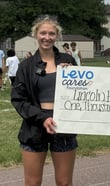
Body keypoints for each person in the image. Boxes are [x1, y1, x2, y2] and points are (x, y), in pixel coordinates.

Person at [11, 15, 78, 186]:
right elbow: (19, 99)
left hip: (63, 126)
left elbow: (83, 92)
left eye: (51, 34)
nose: (47, 37)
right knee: (32, 182)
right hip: (34, 126)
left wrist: (73, 76)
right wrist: (42, 118)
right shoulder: (26, 66)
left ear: (57, 36)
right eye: (43, 33)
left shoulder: (68, 61)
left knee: (64, 182)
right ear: (36, 35)